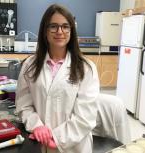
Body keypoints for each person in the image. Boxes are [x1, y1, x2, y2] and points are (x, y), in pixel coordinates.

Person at [15, 3, 100, 153]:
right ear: (45, 31)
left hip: (74, 146)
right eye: (53, 26)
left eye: (65, 26)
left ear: (71, 31)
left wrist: (57, 138)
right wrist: (37, 126)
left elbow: (85, 117)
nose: (60, 31)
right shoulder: (30, 65)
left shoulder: (86, 68)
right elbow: (23, 104)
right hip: (40, 143)